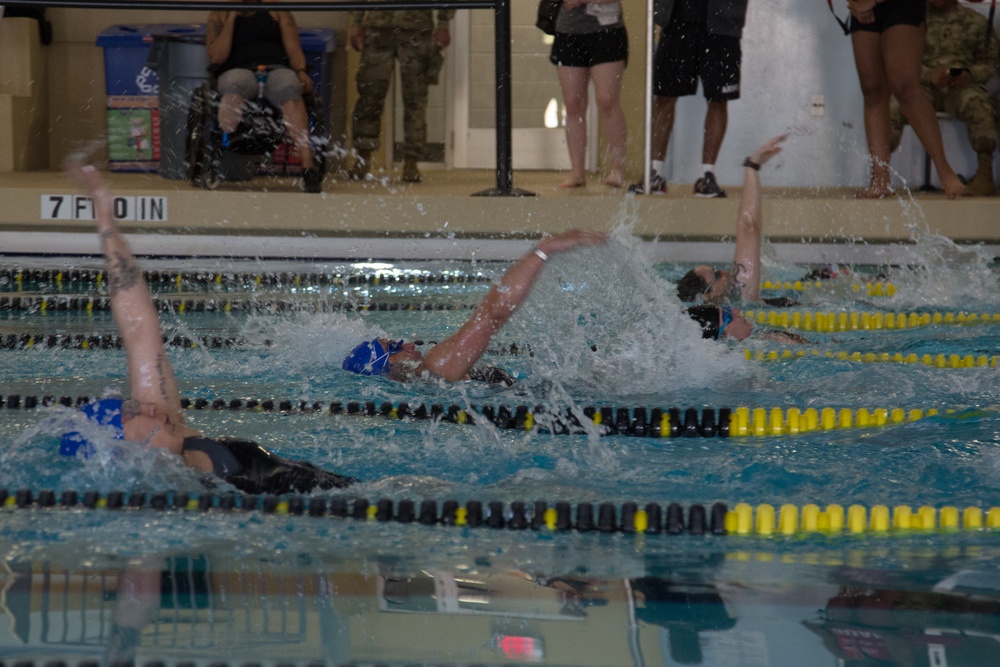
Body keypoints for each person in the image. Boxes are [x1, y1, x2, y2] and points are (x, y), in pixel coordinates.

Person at [61, 159, 355, 494]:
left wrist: (106, 222)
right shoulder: (156, 489)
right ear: (117, 447)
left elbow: (138, 325)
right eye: (131, 411)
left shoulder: (175, 435)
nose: (150, 405)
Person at [342, 229, 611, 382]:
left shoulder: (428, 381)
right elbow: (491, 315)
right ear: (385, 367)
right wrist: (543, 251)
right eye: (396, 348)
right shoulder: (436, 366)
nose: (410, 344)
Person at [629, 0, 749, 197]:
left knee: (718, 99)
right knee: (665, 96)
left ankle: (707, 175)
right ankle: (655, 173)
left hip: (722, 22)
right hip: (677, 19)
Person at [847, 0, 964, 199]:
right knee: (872, 90)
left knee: (905, 87)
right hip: (862, 6)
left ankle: (944, 170)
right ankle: (880, 180)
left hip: (901, 6)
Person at [205, 2, 322, 193]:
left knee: (290, 86)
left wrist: (300, 71)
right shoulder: (220, 12)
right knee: (233, 84)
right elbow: (216, 57)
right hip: (238, 69)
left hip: (276, 68)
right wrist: (233, 16)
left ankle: (308, 169)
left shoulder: (278, 9)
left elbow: (294, 48)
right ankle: (221, 148)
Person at [889, 0, 999, 196]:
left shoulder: (976, 21)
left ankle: (985, 175)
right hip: (920, 87)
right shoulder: (911, 22)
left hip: (960, 88)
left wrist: (969, 75)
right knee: (892, 106)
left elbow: (991, 62)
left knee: (977, 104)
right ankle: (879, 172)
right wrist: (929, 75)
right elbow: (898, 62)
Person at [347, 7, 455, 183]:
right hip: (378, 28)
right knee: (370, 95)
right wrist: (357, 21)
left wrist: (443, 23)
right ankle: (363, 157)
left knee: (415, 99)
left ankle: (411, 162)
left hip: (416, 29)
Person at [676, 134, 786, 305]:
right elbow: (748, 227)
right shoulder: (739, 296)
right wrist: (752, 166)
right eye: (717, 275)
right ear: (707, 296)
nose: (726, 272)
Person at [549, 0, 628, 188]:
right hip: (568, 32)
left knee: (607, 100)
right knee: (573, 104)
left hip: (606, 31)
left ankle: (617, 169)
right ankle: (577, 172)